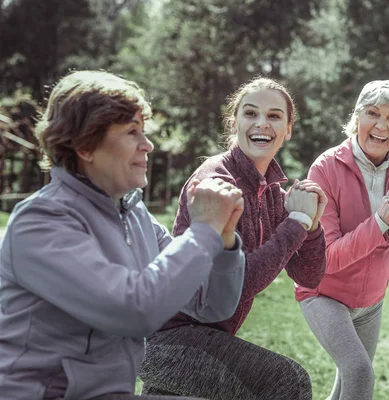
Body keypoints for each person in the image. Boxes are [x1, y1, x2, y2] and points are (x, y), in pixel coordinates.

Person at [0, 70, 246, 400]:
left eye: (144, 131)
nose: (148, 145)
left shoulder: (134, 215)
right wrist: (202, 231)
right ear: (84, 145)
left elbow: (211, 305)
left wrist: (224, 240)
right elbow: (134, 312)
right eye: (132, 132)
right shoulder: (41, 222)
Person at [139, 77, 327, 400]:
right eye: (251, 113)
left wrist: (311, 228)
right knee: (288, 382)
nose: (261, 123)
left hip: (202, 341)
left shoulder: (271, 195)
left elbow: (309, 275)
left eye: (274, 116)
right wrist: (297, 221)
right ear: (235, 121)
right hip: (169, 340)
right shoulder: (217, 183)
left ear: (288, 129)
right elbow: (236, 286)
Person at [294, 80, 389, 400]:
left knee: (346, 386)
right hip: (323, 294)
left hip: (371, 303)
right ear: (357, 117)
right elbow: (326, 258)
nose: (381, 126)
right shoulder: (326, 168)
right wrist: (380, 222)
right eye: (373, 113)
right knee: (359, 372)